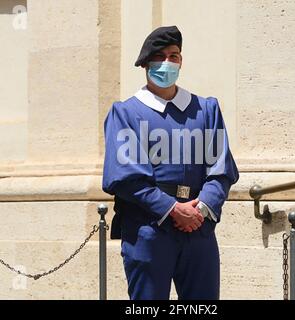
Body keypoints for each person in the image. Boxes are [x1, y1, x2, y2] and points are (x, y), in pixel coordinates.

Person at [102, 26, 239, 300]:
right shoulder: (125, 113)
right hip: (149, 230)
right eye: (160, 56)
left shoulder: (206, 109)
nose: (167, 62)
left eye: (174, 56)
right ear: (145, 64)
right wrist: (173, 209)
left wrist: (200, 208)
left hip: (199, 227)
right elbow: (127, 178)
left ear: (181, 61)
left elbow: (221, 170)